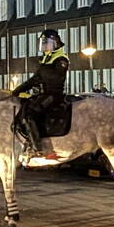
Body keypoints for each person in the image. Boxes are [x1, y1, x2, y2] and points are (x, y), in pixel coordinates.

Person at [12, 30, 70, 158]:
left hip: (54, 94)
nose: (44, 46)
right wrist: (18, 90)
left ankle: (37, 147)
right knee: (23, 109)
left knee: (30, 114)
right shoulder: (45, 59)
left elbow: (56, 78)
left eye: (47, 43)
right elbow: (34, 80)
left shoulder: (61, 59)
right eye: (42, 43)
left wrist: (42, 70)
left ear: (55, 43)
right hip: (43, 94)